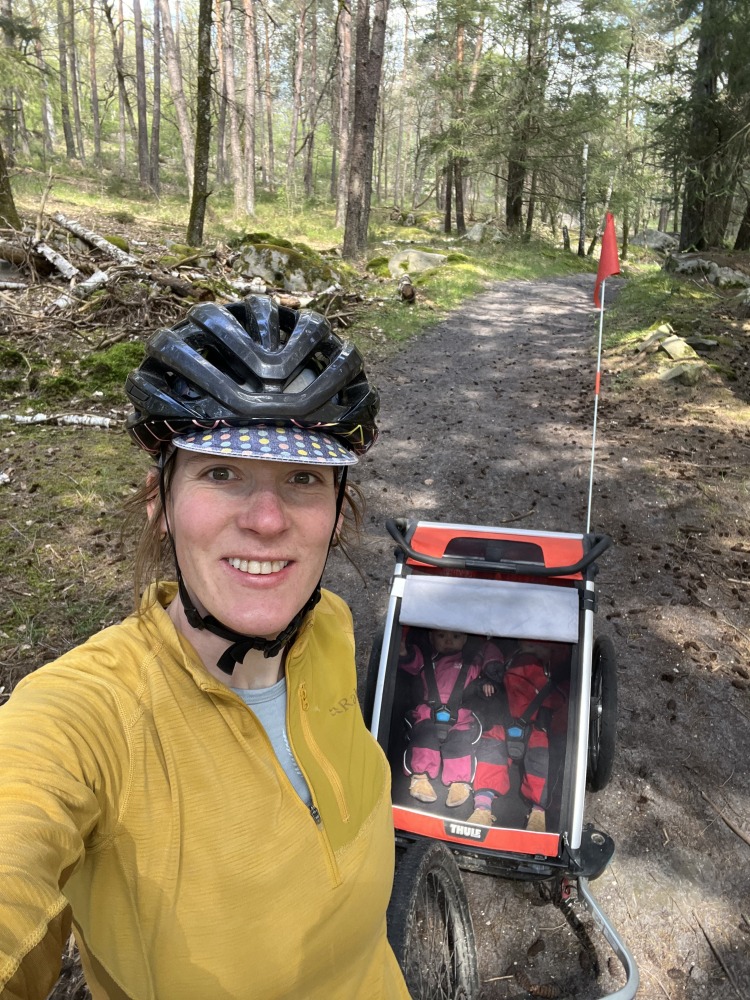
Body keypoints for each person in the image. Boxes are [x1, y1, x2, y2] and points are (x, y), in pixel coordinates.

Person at [0, 296, 410, 1000]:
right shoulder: (89, 717)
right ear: (161, 500)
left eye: (304, 478)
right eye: (222, 472)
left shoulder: (330, 629)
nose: (268, 519)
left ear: (339, 511)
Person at [398, 627, 503, 808]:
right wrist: (403, 653)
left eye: (456, 637)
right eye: (441, 636)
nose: (448, 641)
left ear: (465, 640)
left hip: (460, 715)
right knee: (424, 736)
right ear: (431, 638)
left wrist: (489, 678)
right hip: (428, 711)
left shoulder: (472, 663)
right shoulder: (426, 657)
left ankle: (458, 783)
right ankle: (420, 777)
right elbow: (412, 662)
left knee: (460, 742)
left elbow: (488, 651)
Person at [467, 638, 565, 830]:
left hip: (536, 725)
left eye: (538, 646)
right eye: (528, 646)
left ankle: (538, 812)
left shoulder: (550, 667)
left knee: (541, 762)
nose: (533, 650)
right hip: (503, 719)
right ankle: (482, 807)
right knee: (490, 755)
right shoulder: (508, 658)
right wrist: (488, 682)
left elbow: (564, 692)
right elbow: (489, 661)